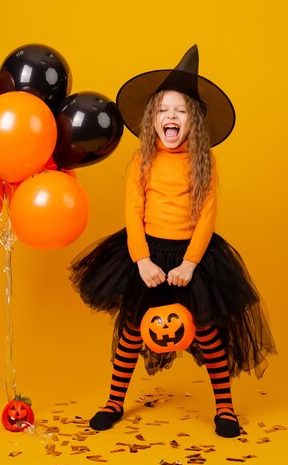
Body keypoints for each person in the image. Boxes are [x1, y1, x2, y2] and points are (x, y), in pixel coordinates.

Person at [69, 45, 276, 438]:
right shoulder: (141, 160)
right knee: (132, 328)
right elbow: (132, 211)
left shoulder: (205, 162)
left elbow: (207, 216)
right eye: (163, 110)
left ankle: (225, 408)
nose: (171, 116)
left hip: (191, 256)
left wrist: (190, 264)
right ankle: (115, 400)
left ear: (193, 120)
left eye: (180, 111)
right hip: (147, 251)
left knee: (209, 332)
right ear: (152, 120)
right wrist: (141, 260)